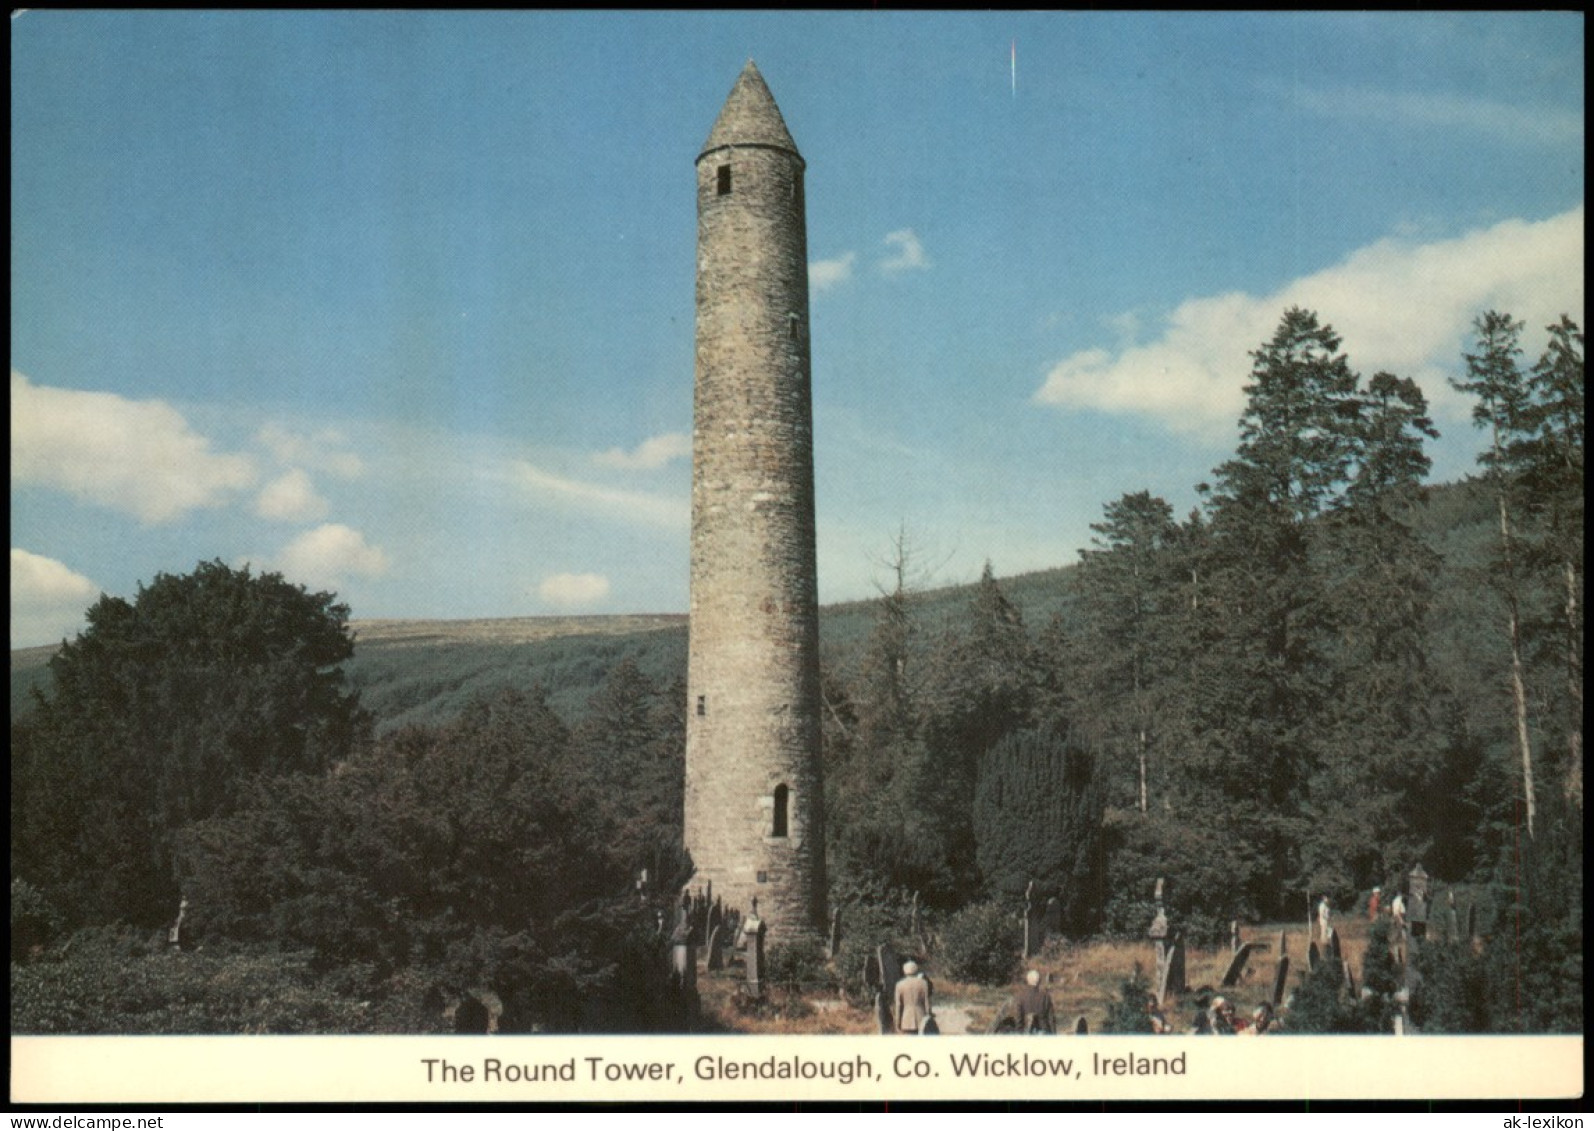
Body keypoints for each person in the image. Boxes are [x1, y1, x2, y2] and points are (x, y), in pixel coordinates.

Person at [1011, 969, 1056, 1034]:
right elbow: (1051, 1019)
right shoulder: (1045, 997)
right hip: (1043, 1033)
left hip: (1026, 1033)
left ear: (1027, 980)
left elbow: (1019, 1019)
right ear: (1039, 981)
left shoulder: (1020, 997)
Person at [894, 961, 932, 1035]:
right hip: (921, 1017)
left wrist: (897, 1021)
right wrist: (929, 1016)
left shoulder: (900, 985)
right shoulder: (923, 983)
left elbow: (898, 1005)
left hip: (906, 1019)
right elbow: (927, 1002)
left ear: (904, 971)